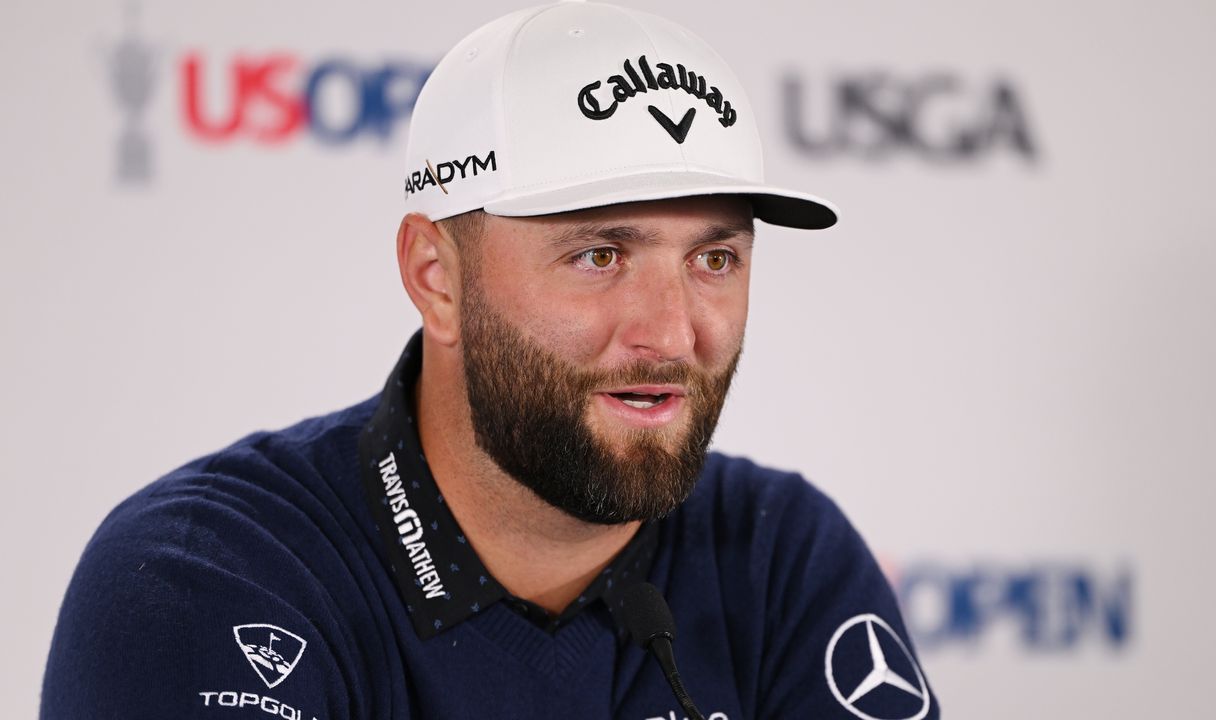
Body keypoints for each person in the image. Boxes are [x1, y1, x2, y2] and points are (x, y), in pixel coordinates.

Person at [42, 2, 939, 719]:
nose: (672, 334)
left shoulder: (779, 553)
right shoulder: (206, 576)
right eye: (600, 256)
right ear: (436, 277)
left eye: (715, 260)